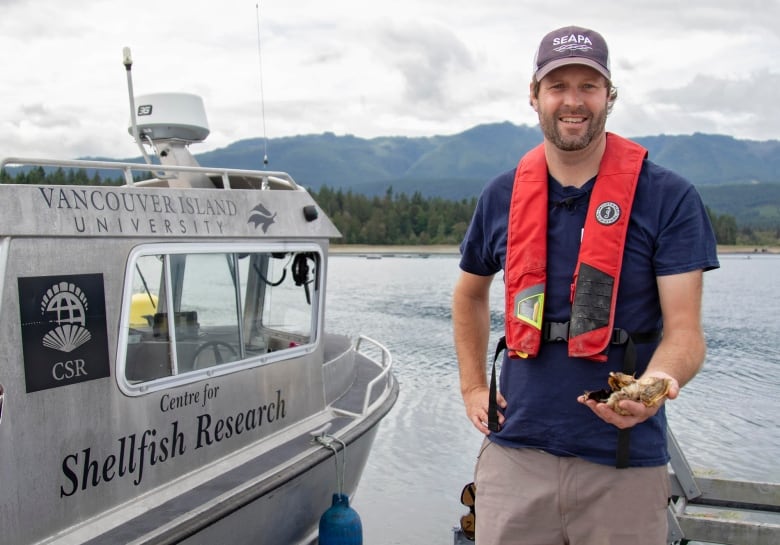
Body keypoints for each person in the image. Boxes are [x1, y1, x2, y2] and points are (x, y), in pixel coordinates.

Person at [452, 25, 720, 544]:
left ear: (609, 97)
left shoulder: (669, 197)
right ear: (534, 97)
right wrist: (472, 387)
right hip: (515, 455)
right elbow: (468, 293)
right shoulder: (501, 195)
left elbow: (686, 334)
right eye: (557, 86)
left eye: (588, 86)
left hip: (622, 463)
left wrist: (655, 386)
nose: (572, 102)